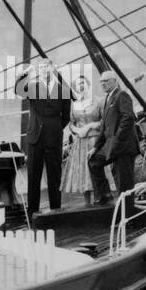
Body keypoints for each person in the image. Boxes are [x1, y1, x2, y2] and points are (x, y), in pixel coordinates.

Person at [16, 56, 71, 215]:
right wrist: (25, 74)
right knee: (33, 174)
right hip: (35, 137)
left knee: (55, 174)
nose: (44, 70)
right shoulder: (32, 87)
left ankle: (56, 209)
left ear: (52, 68)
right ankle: (33, 210)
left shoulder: (63, 90)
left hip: (53, 136)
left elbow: (66, 116)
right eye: (40, 68)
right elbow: (18, 90)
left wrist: (54, 129)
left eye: (46, 67)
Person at [88, 70, 139, 205]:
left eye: (106, 81)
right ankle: (104, 194)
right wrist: (95, 147)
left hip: (123, 146)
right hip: (111, 145)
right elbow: (104, 127)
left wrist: (117, 139)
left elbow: (128, 118)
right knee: (93, 161)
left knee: (124, 183)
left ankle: (128, 215)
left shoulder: (121, 95)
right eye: (101, 82)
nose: (102, 84)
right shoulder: (107, 98)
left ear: (115, 81)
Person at [61, 74, 103, 205]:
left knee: (96, 169)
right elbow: (71, 123)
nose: (81, 85)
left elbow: (104, 121)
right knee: (83, 172)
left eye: (83, 83)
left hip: (95, 140)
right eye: (78, 84)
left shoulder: (99, 101)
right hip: (80, 142)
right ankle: (87, 203)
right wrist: (77, 130)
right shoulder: (74, 105)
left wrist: (90, 126)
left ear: (88, 85)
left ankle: (100, 199)